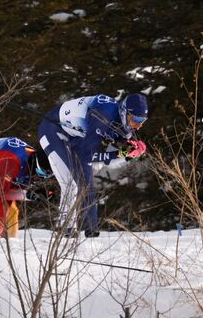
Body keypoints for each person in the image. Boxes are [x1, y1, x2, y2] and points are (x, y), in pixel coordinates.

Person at [37, 92, 148, 237]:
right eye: (136, 120)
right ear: (125, 112)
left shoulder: (125, 123)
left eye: (143, 121)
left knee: (87, 185)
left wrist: (129, 153)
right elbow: (89, 155)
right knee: (70, 183)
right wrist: (120, 153)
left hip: (77, 137)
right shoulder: (103, 116)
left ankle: (90, 231)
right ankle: (65, 229)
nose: (138, 126)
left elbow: (111, 161)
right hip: (52, 131)